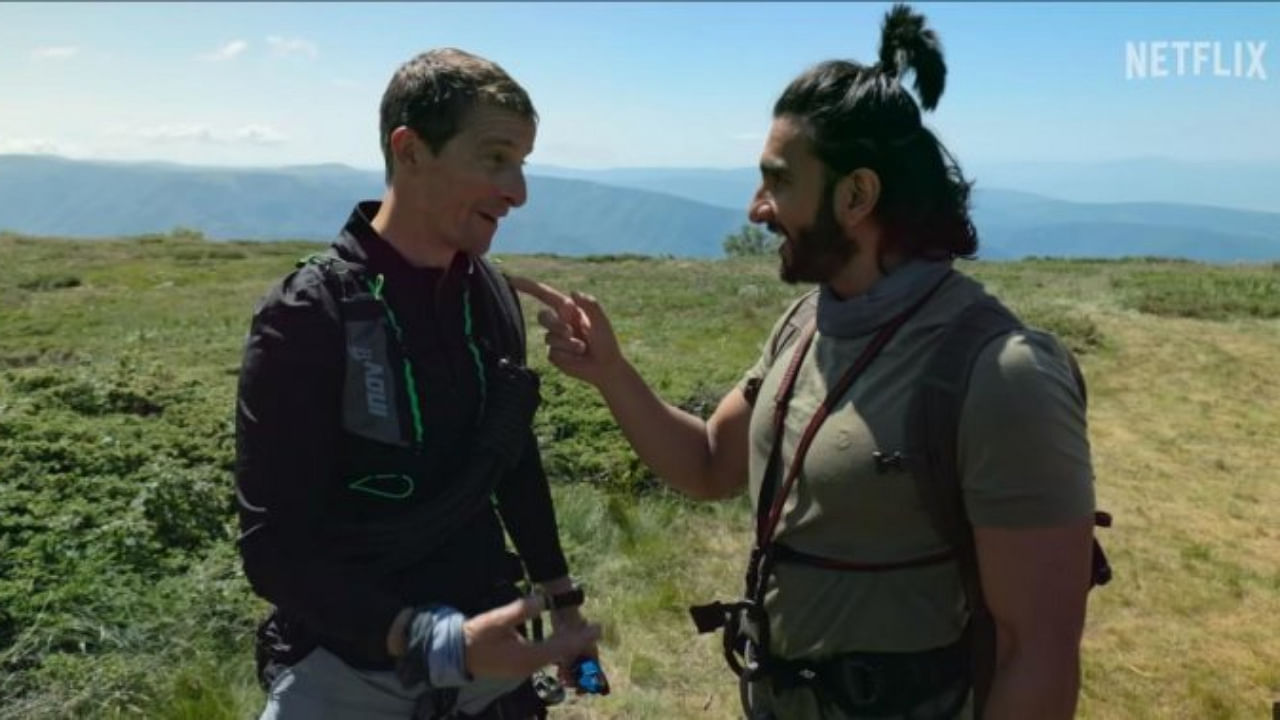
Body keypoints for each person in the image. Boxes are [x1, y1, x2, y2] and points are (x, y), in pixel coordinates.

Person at [513, 5, 1101, 719]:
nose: (757, 209)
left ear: (856, 196)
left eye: (779, 182)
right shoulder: (806, 323)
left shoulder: (1002, 372)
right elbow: (707, 465)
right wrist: (611, 372)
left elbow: (1033, 653)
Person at [234, 48, 600, 720]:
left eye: (521, 163)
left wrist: (564, 604)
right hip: (349, 675)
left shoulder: (488, 295)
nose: (518, 191)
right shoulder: (309, 315)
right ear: (410, 150)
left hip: (490, 668)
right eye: (495, 158)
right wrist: (437, 643)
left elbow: (510, 456)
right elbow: (273, 552)